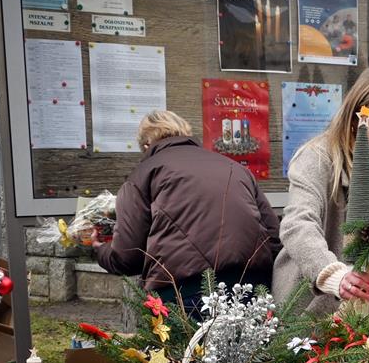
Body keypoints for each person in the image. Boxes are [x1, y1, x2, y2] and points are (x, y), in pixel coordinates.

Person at [273, 68, 369, 324]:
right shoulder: (316, 158)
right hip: (306, 313)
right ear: (355, 120)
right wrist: (332, 275)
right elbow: (298, 224)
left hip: (368, 319)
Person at [94, 110, 281, 310]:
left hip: (183, 292)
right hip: (251, 287)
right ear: (186, 134)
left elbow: (127, 258)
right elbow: (274, 238)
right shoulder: (235, 168)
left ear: (147, 145)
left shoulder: (143, 174)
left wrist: (99, 249)